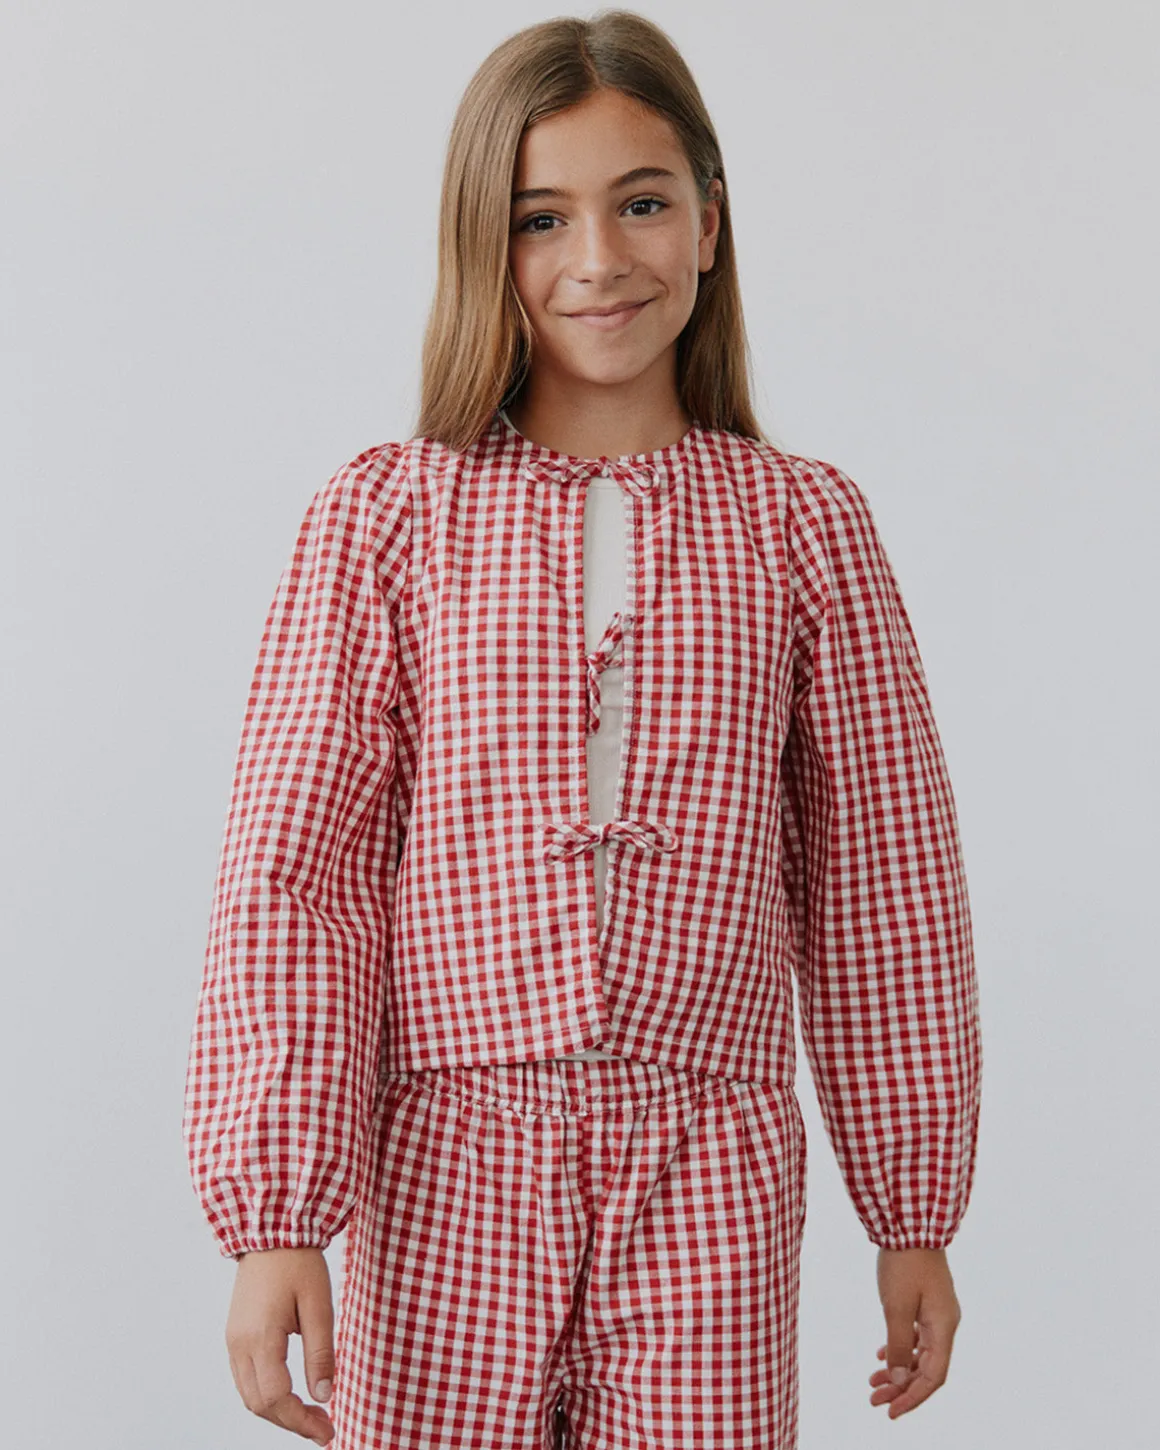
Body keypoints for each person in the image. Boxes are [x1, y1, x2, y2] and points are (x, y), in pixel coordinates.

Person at [182, 11, 982, 1449]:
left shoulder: (804, 529)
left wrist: (911, 1207)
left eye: (643, 203)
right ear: (481, 246)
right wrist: (277, 1212)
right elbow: (300, 872)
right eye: (541, 217)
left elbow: (886, 882)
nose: (599, 259)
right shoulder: (388, 518)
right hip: (443, 1162)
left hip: (712, 1169)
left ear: (711, 222)